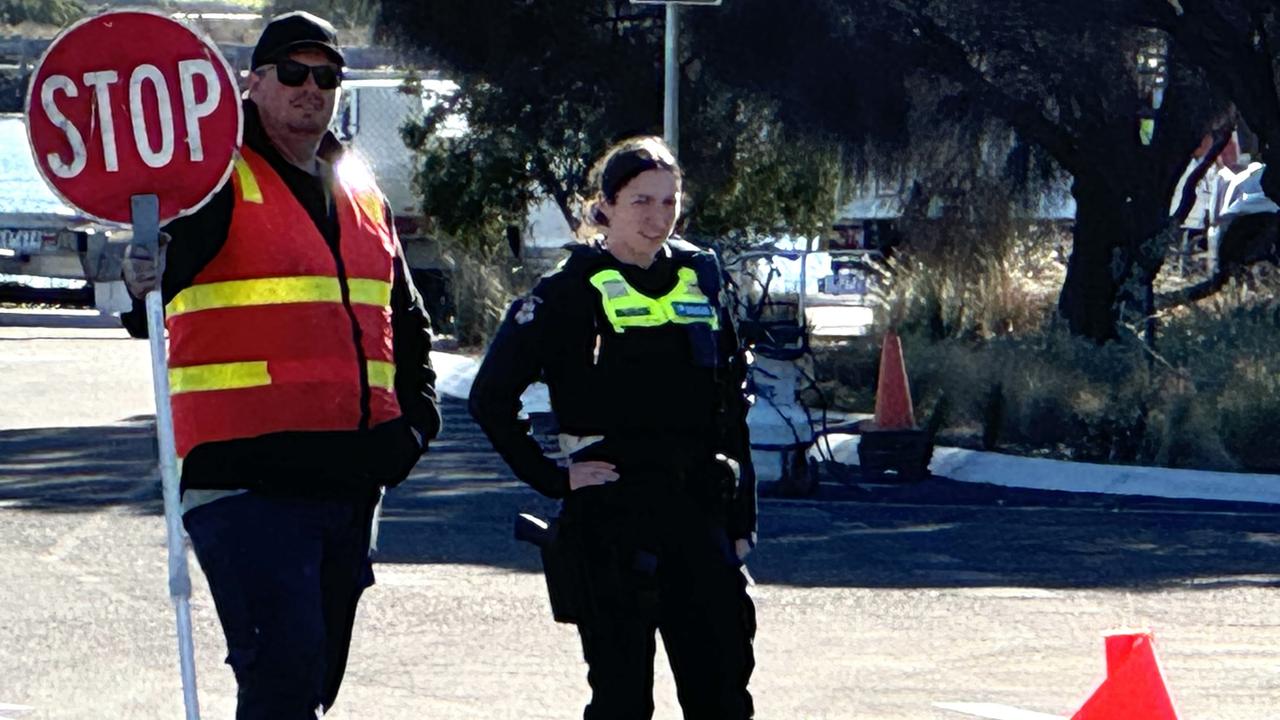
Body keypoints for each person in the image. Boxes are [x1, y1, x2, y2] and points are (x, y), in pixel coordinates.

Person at [121, 11, 440, 719]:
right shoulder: (212, 179)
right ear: (254, 82)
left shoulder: (359, 186)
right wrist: (138, 273)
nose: (310, 89)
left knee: (312, 682)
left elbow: (406, 320)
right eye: (292, 73)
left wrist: (416, 427)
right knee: (283, 679)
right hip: (244, 484)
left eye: (326, 76)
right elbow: (142, 296)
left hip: (351, 480)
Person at [469, 136, 757, 719]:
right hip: (612, 518)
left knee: (723, 694)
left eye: (669, 202)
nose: (658, 218)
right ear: (606, 205)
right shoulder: (567, 291)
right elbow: (491, 397)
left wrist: (742, 519)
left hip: (698, 511)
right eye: (641, 202)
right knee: (623, 699)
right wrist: (554, 478)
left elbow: (732, 408)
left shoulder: (702, 281)